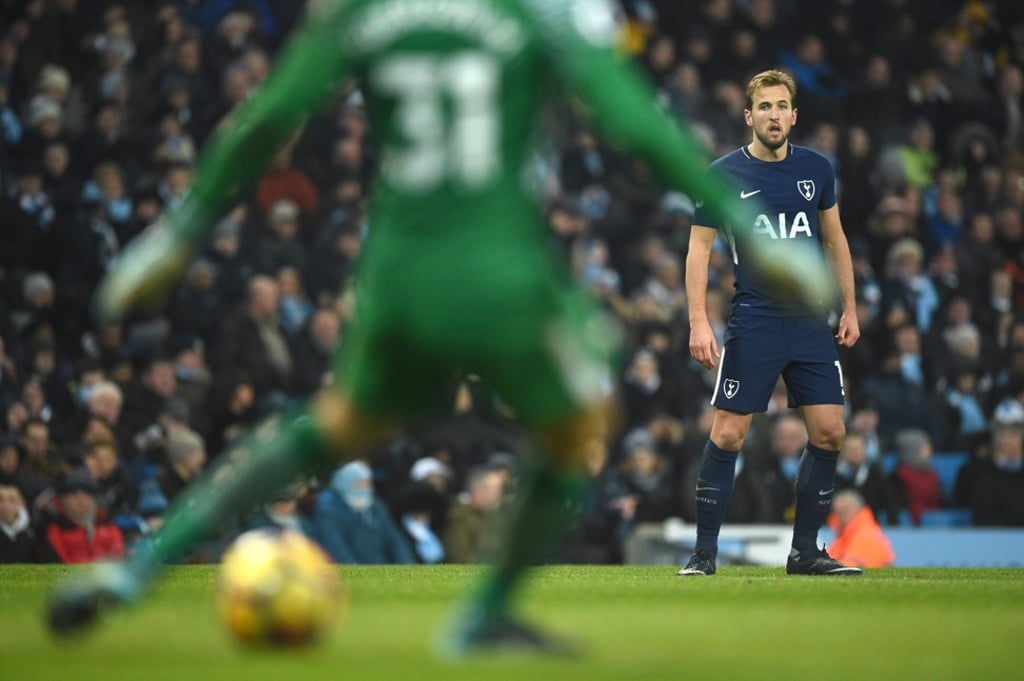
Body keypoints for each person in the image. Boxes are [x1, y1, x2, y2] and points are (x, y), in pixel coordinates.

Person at [47, 0, 827, 652]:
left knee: (336, 422)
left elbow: (269, 116)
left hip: (394, 273)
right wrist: (745, 227)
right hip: (500, 271)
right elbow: (636, 124)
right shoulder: (535, 11)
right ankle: (484, 614)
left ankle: (138, 567)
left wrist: (180, 231)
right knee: (580, 420)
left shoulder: (363, 9)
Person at [680, 70, 862, 577]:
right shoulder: (721, 175)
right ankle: (703, 554)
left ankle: (805, 553)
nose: (774, 115)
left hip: (809, 322)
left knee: (829, 432)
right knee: (730, 433)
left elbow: (835, 238)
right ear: (749, 116)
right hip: (755, 320)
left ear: (794, 115)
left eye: (782, 106)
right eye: (765, 107)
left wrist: (850, 306)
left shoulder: (817, 169)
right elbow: (699, 249)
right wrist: (698, 321)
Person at [313, 461, 415, 564]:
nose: (365, 488)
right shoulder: (327, 511)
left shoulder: (373, 504)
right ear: (346, 484)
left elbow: (395, 540)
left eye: (368, 483)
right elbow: (338, 552)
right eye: (360, 483)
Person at [826, 489, 895, 569]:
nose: (838, 517)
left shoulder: (866, 536)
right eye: (836, 511)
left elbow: (847, 567)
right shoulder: (844, 537)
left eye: (844, 510)